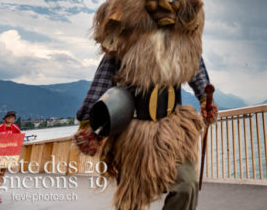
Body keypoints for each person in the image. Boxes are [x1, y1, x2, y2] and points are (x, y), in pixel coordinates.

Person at [75, 55, 217, 210]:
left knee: (187, 185)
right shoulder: (123, 40)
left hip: (173, 131)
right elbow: (102, 81)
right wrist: (90, 127)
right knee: (130, 201)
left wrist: (205, 99)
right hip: (133, 134)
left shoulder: (180, 40)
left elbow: (195, 65)